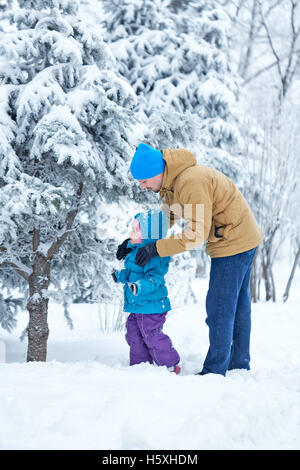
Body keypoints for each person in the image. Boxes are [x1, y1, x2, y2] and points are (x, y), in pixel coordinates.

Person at [116, 143, 264, 377]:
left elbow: (196, 234)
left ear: (157, 172)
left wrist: (156, 248)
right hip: (241, 237)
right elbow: (165, 219)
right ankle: (238, 364)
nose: (142, 186)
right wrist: (135, 241)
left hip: (231, 241)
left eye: (144, 181)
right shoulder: (174, 183)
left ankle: (215, 372)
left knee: (220, 309)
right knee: (236, 307)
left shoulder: (190, 182)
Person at [113, 208, 181, 374]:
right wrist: (120, 276)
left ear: (149, 235)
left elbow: (155, 279)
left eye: (135, 230)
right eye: (132, 228)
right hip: (137, 306)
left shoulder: (155, 256)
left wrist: (140, 286)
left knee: (152, 336)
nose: (131, 232)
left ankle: (170, 364)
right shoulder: (134, 251)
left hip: (152, 307)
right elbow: (131, 273)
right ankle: (140, 366)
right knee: (133, 336)